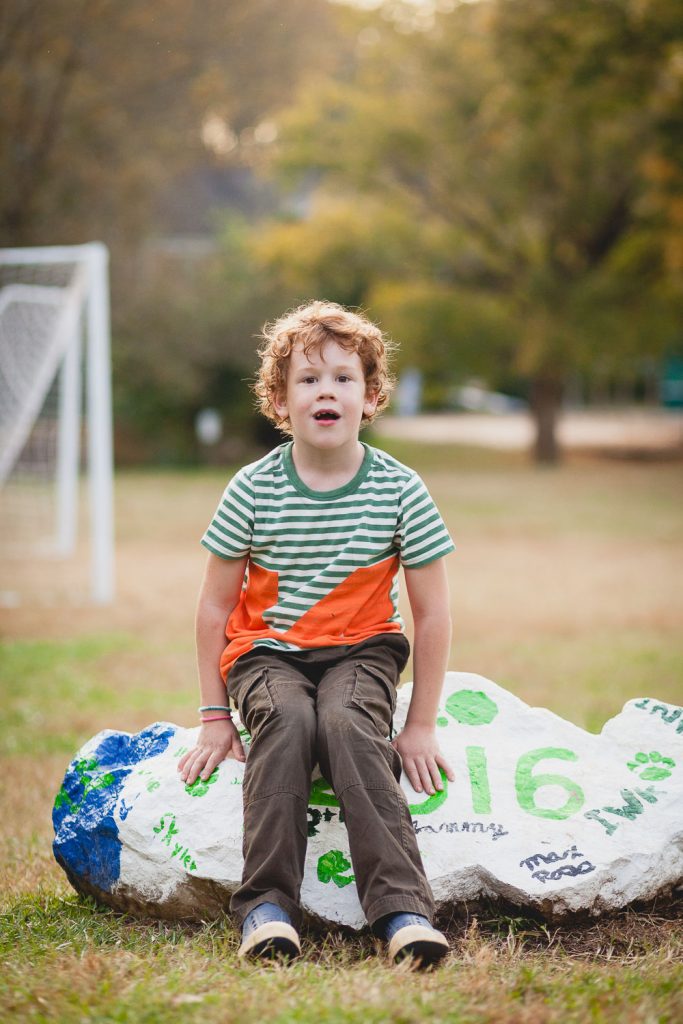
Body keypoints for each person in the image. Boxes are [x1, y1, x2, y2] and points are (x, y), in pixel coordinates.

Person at [178, 300, 455, 967]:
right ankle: (267, 909)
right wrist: (216, 716)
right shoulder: (250, 490)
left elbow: (433, 613)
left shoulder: (400, 490)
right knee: (289, 724)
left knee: (346, 726)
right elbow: (214, 610)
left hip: (362, 650)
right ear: (279, 400)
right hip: (265, 652)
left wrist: (418, 724)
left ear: (371, 396)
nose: (325, 390)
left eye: (342, 378)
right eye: (307, 379)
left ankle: (402, 913)